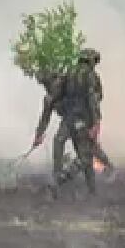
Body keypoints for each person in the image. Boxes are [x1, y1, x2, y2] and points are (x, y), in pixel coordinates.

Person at [33, 48, 104, 196]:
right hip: (83, 120)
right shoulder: (90, 76)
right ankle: (67, 181)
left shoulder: (68, 74)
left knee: (59, 142)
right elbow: (94, 99)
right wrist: (96, 123)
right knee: (85, 156)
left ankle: (59, 181)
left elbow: (51, 101)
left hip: (68, 119)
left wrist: (39, 133)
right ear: (91, 61)